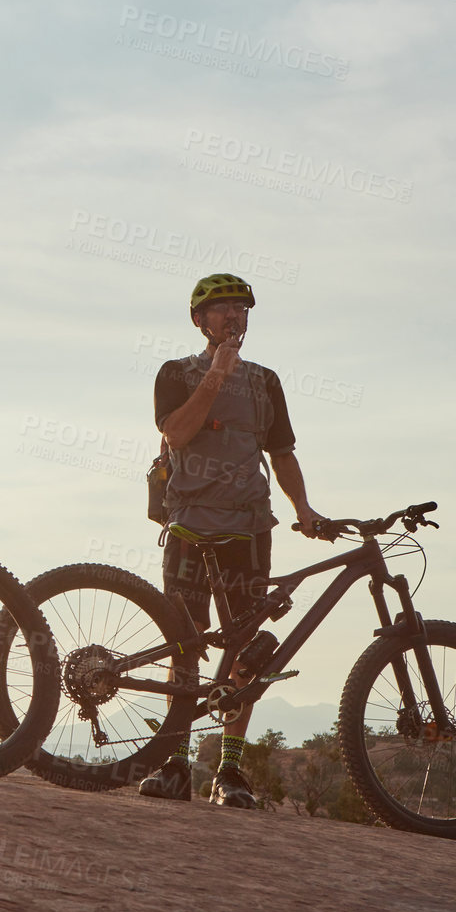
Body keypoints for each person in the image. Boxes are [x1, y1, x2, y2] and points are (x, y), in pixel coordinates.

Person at [138, 273, 328, 808]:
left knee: (245, 648)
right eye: (222, 310)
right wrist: (216, 376)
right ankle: (175, 765)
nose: (233, 318)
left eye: (241, 310)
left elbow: (283, 453)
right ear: (199, 320)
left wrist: (304, 509)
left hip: (248, 527)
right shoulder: (175, 373)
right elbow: (176, 432)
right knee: (185, 643)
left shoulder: (266, 382)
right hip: (189, 523)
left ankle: (230, 771)